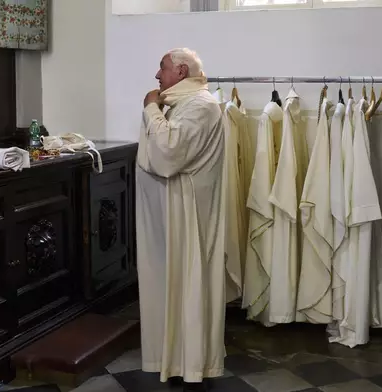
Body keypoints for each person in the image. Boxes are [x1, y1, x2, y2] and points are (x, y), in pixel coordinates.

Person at [136, 48, 226, 392]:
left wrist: (150, 107)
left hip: (187, 215)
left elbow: (170, 153)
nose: (157, 76)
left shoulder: (201, 105)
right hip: (169, 213)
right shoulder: (180, 104)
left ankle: (192, 366)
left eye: (162, 68)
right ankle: (173, 361)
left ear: (181, 70)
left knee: (188, 285)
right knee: (170, 287)